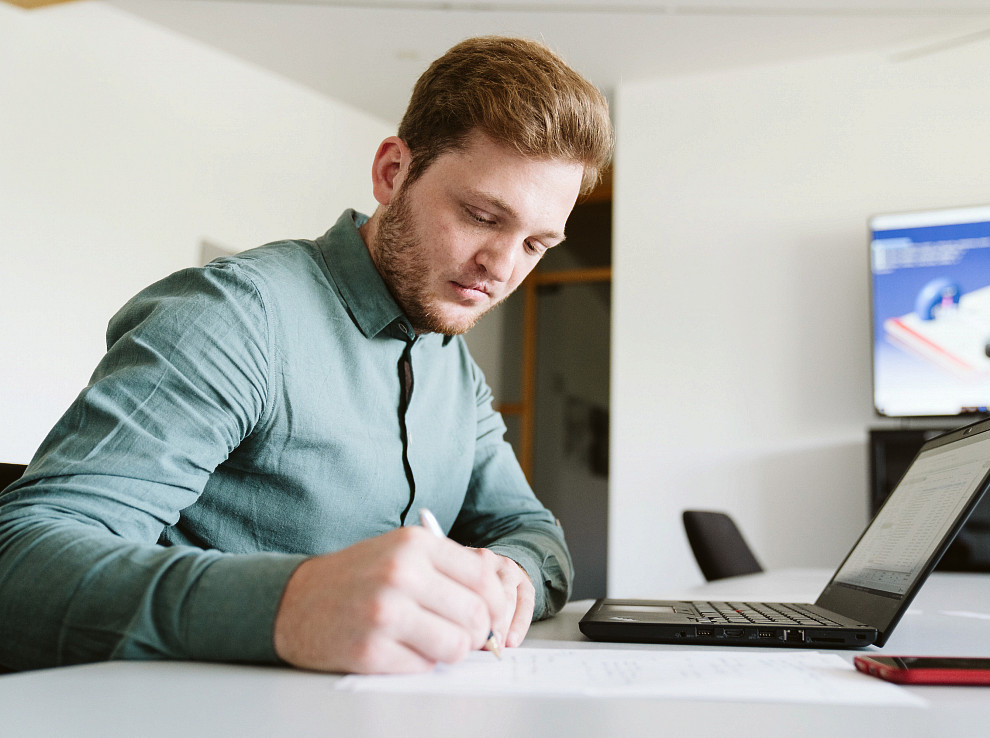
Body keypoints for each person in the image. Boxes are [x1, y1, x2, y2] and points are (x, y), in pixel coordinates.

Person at [0, 36, 614, 675]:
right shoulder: (234, 316)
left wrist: (509, 572)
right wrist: (289, 605)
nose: (502, 267)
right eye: (483, 216)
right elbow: (18, 565)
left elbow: (536, 536)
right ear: (391, 172)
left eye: (537, 245)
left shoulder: (455, 372)